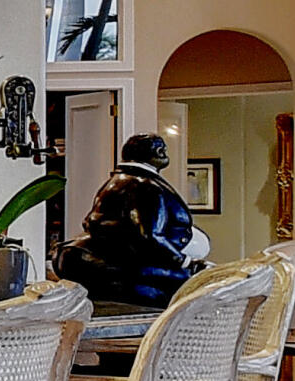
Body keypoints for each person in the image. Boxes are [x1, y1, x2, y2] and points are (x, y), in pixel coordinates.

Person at [52, 132, 203, 308]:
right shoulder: (144, 186)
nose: (163, 152)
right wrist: (183, 261)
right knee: (201, 283)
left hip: (123, 263)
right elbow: (148, 236)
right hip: (130, 268)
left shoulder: (119, 181)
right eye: (158, 147)